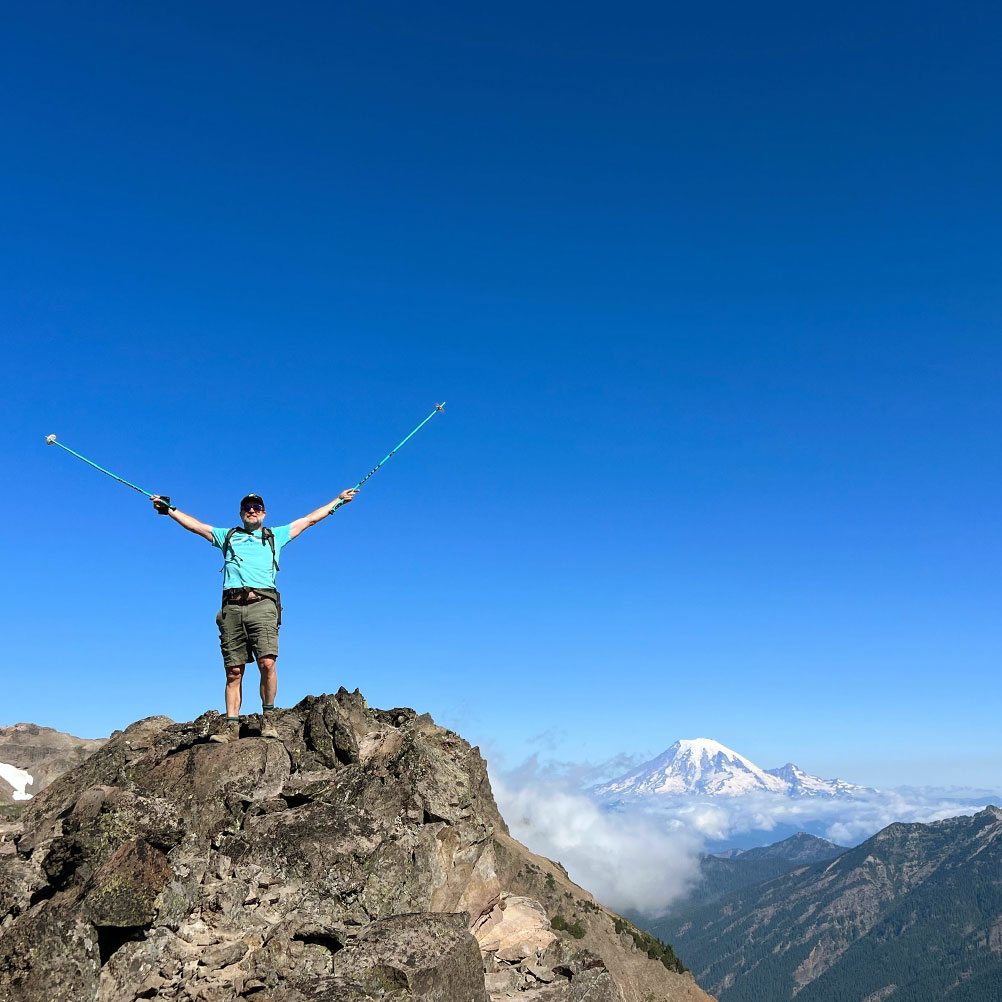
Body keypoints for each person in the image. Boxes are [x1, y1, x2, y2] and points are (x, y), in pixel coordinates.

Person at [151, 489, 358, 742]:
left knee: (267, 663)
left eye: (256, 508)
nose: (252, 511)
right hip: (232, 607)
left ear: (264, 513)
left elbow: (310, 519)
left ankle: (268, 720)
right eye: (247, 508)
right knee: (233, 671)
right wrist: (169, 510)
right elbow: (195, 526)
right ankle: (231, 727)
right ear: (241, 513)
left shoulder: (275, 536)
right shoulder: (227, 537)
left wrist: (338, 501)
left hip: (263, 604)